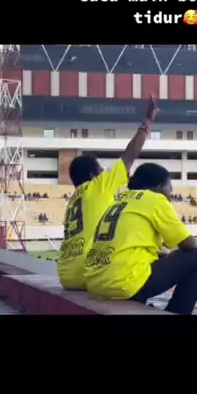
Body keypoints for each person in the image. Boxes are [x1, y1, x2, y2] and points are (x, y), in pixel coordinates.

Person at [58, 96, 158, 291]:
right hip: (87, 272)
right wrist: (147, 123)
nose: (105, 173)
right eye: (101, 170)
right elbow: (129, 156)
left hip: (66, 275)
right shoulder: (98, 186)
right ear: (92, 175)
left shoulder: (73, 201)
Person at [84, 164, 197, 315]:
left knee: (155, 258)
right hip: (123, 283)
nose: (170, 194)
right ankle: (177, 311)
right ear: (159, 187)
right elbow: (188, 244)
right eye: (169, 188)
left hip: (96, 284)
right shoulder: (155, 199)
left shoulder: (117, 200)